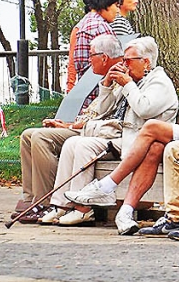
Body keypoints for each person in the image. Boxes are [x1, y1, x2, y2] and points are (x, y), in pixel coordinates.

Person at [61, 20, 179, 236]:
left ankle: (107, 185)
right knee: (158, 148)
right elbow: (103, 110)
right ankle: (173, 216)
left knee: (152, 128)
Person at [40, 36, 177, 226]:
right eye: (123, 60)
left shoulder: (159, 82)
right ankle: (61, 205)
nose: (124, 64)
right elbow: (102, 111)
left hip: (138, 140)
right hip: (124, 137)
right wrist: (106, 84)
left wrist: (128, 84)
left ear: (145, 62)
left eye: (128, 60)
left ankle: (83, 209)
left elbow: (144, 108)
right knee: (72, 143)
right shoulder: (133, 80)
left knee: (84, 146)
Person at [14, 34, 125, 223]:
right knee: (27, 135)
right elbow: (96, 111)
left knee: (41, 137)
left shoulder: (121, 76)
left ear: (104, 57)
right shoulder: (109, 76)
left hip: (98, 132)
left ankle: (47, 202)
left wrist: (71, 125)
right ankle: (30, 200)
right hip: (88, 127)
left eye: (91, 56)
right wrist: (68, 124)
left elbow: (106, 116)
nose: (89, 61)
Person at [64, 0, 123, 103]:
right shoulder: (100, 27)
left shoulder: (84, 24)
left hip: (85, 95)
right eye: (116, 5)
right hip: (98, 96)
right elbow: (112, 64)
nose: (118, 11)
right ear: (104, 3)